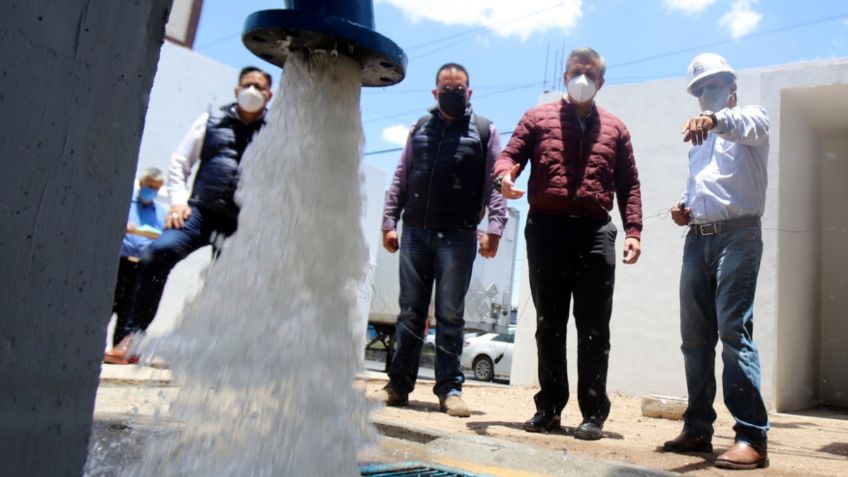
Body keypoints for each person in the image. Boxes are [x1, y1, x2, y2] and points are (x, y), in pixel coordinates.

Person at [493, 48, 643, 440]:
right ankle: (549, 408)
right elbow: (509, 156)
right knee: (549, 324)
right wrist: (503, 178)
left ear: (601, 82)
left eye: (590, 73)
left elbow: (629, 184)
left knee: (594, 328)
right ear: (564, 75)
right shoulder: (537, 118)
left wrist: (634, 231)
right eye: (576, 71)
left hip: (595, 233)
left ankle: (593, 413)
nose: (582, 78)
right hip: (547, 230)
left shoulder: (616, 129)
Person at [104, 66, 273, 364]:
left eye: (259, 88)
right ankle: (132, 338)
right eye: (248, 85)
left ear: (269, 95)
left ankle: (218, 354)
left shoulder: (276, 133)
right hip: (199, 213)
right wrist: (178, 202)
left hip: (242, 222)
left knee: (230, 284)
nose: (252, 92)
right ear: (236, 89)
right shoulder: (210, 121)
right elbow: (180, 163)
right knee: (157, 253)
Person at [372, 63, 508, 417]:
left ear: (469, 92)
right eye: (446, 88)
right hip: (415, 231)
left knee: (450, 317)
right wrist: (389, 222)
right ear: (435, 93)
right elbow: (402, 175)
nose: (452, 92)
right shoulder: (419, 128)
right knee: (410, 314)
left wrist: (495, 227)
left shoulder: (483, 130)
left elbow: (495, 182)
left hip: (459, 237)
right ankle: (398, 385)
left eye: (458, 88)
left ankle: (450, 390)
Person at [661, 53, 770, 470]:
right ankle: (697, 428)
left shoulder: (750, 118)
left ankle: (751, 436)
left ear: (732, 87)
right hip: (698, 239)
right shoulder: (699, 140)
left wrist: (715, 120)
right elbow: (702, 189)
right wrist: (685, 209)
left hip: (740, 236)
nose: (707, 93)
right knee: (695, 339)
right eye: (701, 89)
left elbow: (746, 126)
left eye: (715, 84)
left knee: (733, 331)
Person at [110, 167, 167, 351]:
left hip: (142, 267)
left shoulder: (161, 212)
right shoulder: (125, 202)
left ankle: (118, 351)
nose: (152, 190)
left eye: (156, 188)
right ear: (141, 183)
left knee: (129, 311)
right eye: (149, 185)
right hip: (119, 265)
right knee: (107, 306)